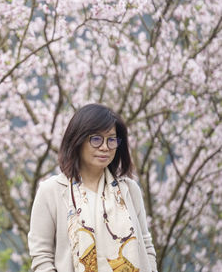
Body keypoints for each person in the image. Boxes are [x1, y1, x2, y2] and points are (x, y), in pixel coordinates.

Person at [28, 103, 157, 272]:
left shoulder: (129, 190)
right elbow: (42, 256)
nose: (104, 147)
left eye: (111, 140)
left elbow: (146, 246)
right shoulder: (51, 191)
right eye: (96, 139)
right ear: (78, 140)